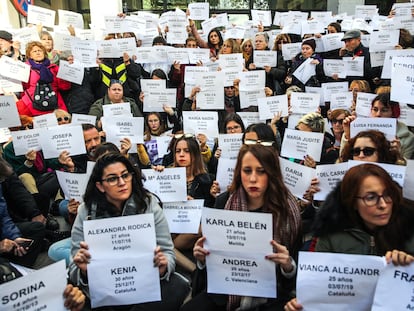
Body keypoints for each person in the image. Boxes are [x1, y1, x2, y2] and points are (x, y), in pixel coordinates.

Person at [182, 144, 301, 311]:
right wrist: (202, 260)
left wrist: (287, 265)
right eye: (247, 171)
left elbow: (294, 275)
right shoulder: (224, 202)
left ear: (272, 174)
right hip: (225, 291)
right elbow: (212, 269)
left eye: (261, 171)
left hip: (270, 295)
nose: (253, 178)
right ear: (239, 172)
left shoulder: (287, 210)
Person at [284, 164, 414, 310]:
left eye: (387, 194)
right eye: (371, 197)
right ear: (352, 202)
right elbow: (317, 290)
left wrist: (408, 267)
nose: (383, 204)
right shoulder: (330, 236)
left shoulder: (409, 231)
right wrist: (301, 304)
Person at [68, 153, 189, 310]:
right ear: (100, 186)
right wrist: (83, 272)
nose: (122, 182)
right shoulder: (86, 211)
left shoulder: (149, 204)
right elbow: (73, 267)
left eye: (125, 175)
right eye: (112, 179)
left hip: (144, 281)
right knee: (71, 296)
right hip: (106, 286)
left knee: (178, 285)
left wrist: (163, 267)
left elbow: (167, 251)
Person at [17, 41, 71, 116]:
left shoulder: (54, 68)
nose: (38, 53)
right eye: (34, 51)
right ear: (30, 56)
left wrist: (66, 72)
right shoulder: (25, 69)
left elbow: (65, 87)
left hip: (53, 105)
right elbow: (22, 87)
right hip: (32, 105)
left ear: (44, 53)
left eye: (40, 50)